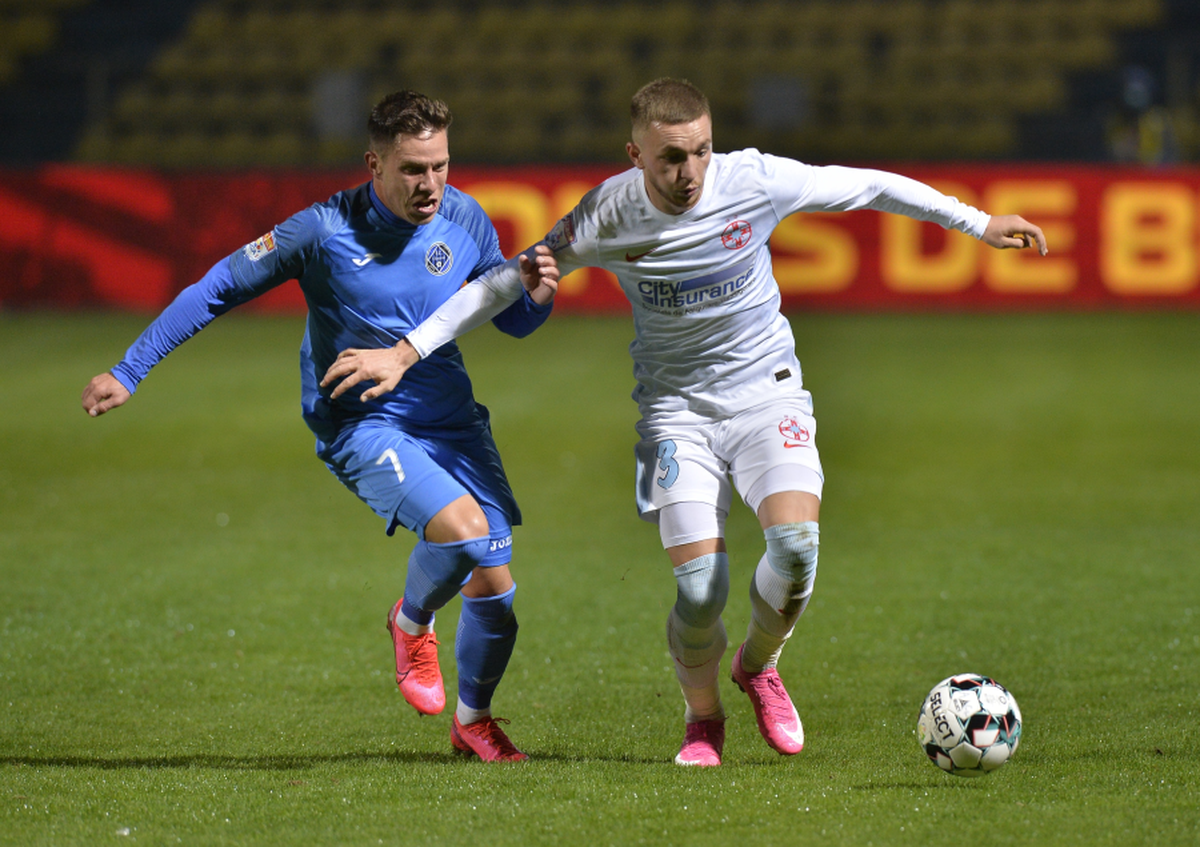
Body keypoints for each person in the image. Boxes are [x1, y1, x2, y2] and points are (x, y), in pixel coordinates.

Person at [336, 78, 1048, 767]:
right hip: (674, 413)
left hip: (767, 394)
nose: (690, 172)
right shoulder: (605, 215)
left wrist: (979, 223)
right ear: (635, 155)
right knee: (702, 588)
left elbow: (865, 184)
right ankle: (703, 717)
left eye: (701, 151)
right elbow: (503, 282)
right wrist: (405, 351)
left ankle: (758, 665)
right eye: (671, 157)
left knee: (797, 549)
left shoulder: (753, 181)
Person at [81, 90, 560, 762]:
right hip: (362, 420)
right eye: (413, 169)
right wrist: (130, 369)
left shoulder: (465, 218)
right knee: (462, 533)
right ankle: (410, 622)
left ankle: (473, 722)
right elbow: (218, 286)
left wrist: (537, 295)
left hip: (450, 418)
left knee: (496, 589)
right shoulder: (321, 231)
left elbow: (507, 319)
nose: (430, 184)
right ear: (374, 164)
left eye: (440, 165)